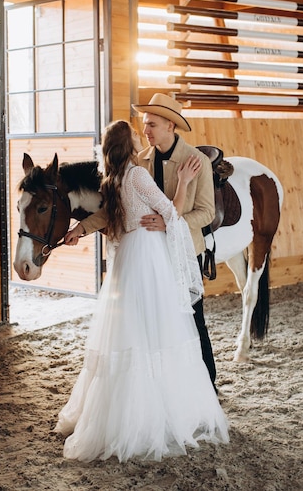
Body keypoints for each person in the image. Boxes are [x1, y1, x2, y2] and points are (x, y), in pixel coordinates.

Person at [54, 120, 229, 462]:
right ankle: (160, 410)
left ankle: (120, 409)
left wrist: (80, 228)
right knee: (162, 329)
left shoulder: (115, 177)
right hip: (149, 256)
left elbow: (108, 214)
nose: (141, 133)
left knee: (130, 333)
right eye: (136, 132)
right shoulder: (137, 175)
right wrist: (183, 182)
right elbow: (170, 212)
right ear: (129, 144)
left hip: (128, 259)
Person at [66, 93, 218, 390]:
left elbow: (207, 212)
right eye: (145, 124)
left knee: (192, 319)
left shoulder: (196, 161)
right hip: (148, 258)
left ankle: (207, 385)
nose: (146, 130)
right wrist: (82, 227)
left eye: (152, 124)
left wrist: (169, 224)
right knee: (153, 324)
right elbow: (116, 210)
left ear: (171, 126)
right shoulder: (139, 163)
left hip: (181, 250)